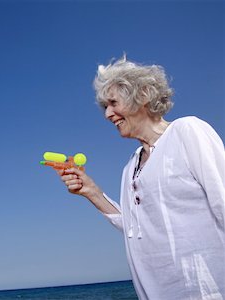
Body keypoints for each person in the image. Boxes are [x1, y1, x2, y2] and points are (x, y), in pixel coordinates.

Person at [59, 56, 225, 299]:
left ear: (144, 95)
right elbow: (135, 228)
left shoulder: (187, 131)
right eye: (104, 106)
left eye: (113, 102)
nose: (107, 114)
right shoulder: (130, 167)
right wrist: (91, 191)